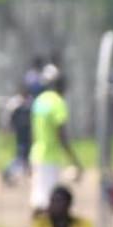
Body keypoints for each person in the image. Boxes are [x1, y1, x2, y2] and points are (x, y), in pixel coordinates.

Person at [29, 66, 83, 212]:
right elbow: (61, 135)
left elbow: (34, 131)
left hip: (37, 153)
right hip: (50, 156)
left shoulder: (39, 101)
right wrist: (74, 160)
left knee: (38, 198)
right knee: (48, 202)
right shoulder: (58, 103)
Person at [1, 84, 34, 186]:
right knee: (20, 154)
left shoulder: (30, 101)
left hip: (28, 132)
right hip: (19, 132)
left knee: (27, 155)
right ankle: (8, 171)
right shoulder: (15, 103)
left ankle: (24, 176)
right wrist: (8, 128)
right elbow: (8, 117)